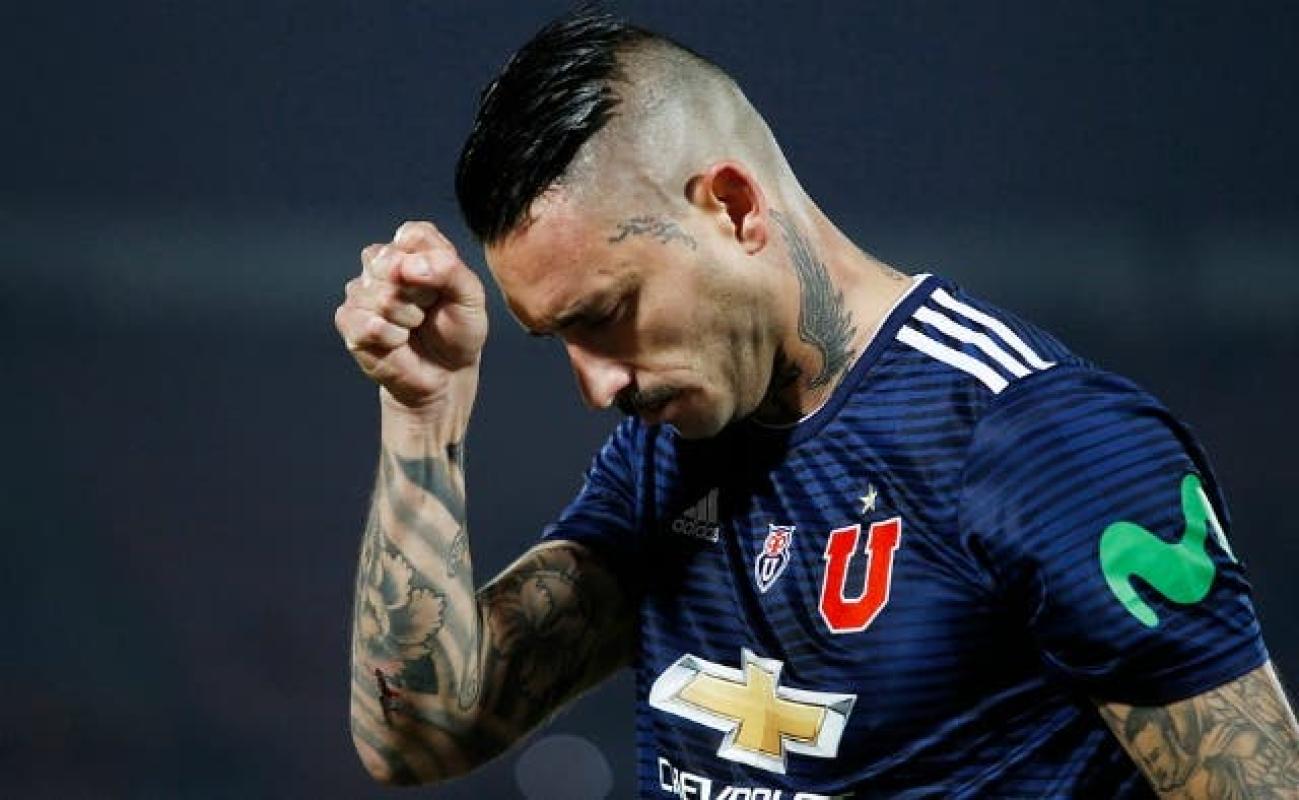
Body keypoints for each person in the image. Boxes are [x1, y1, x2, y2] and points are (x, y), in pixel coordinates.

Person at [333, 9, 1299, 798]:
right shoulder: (665, 459)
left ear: (733, 207)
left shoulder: (1042, 441)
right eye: (561, 341)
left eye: (608, 314)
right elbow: (416, 737)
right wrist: (422, 409)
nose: (598, 386)